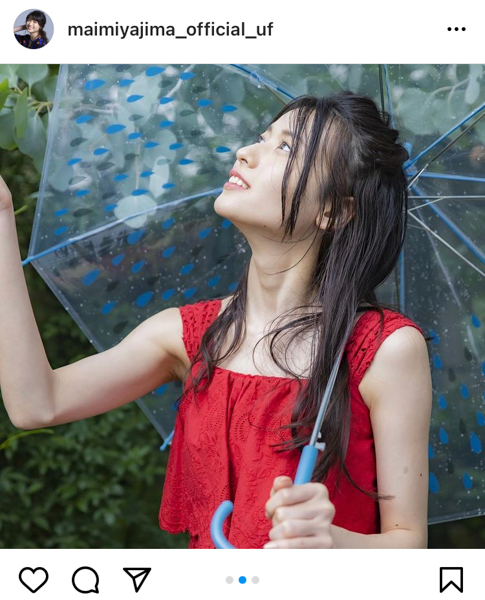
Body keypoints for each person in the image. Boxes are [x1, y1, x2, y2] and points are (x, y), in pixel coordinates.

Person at [0, 90, 432, 550]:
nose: (245, 153)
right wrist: (3, 214)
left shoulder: (384, 349)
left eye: (285, 148)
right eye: (262, 138)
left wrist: (331, 543)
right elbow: (36, 404)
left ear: (334, 210)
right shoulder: (186, 334)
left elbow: (409, 544)